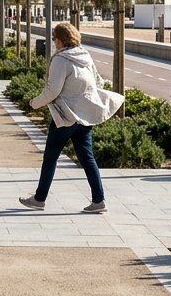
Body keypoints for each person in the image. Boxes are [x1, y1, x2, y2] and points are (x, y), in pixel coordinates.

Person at [18, 22, 122, 214]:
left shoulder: (61, 59)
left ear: (59, 39)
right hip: (84, 117)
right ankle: (99, 200)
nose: (53, 42)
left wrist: (34, 103)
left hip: (66, 117)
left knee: (50, 157)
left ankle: (39, 199)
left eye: (54, 38)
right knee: (87, 158)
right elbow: (97, 81)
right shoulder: (85, 55)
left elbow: (52, 90)